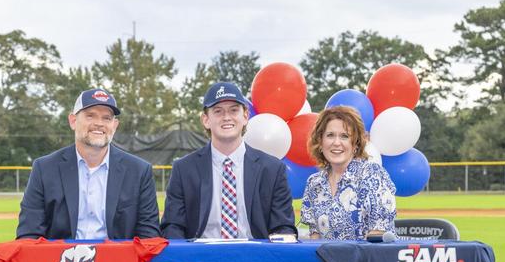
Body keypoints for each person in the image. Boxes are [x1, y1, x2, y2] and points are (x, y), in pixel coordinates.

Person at [16, 88, 161, 240]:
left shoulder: (139, 171)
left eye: (107, 118)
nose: (99, 123)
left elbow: (149, 237)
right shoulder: (44, 169)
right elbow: (29, 234)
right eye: (90, 116)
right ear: (73, 121)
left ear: (115, 125)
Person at [161, 82, 297, 239]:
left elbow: (283, 227)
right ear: (206, 120)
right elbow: (172, 226)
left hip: (255, 259)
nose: (226, 117)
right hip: (202, 259)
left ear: (246, 116)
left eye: (234, 110)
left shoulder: (273, 169)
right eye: (218, 111)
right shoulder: (184, 169)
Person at [300, 106, 396, 240]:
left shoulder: (373, 175)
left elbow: (378, 237)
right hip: (325, 260)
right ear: (320, 142)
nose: (336, 143)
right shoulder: (314, 183)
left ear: (356, 144)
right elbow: (315, 238)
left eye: (344, 136)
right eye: (330, 135)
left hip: (366, 260)